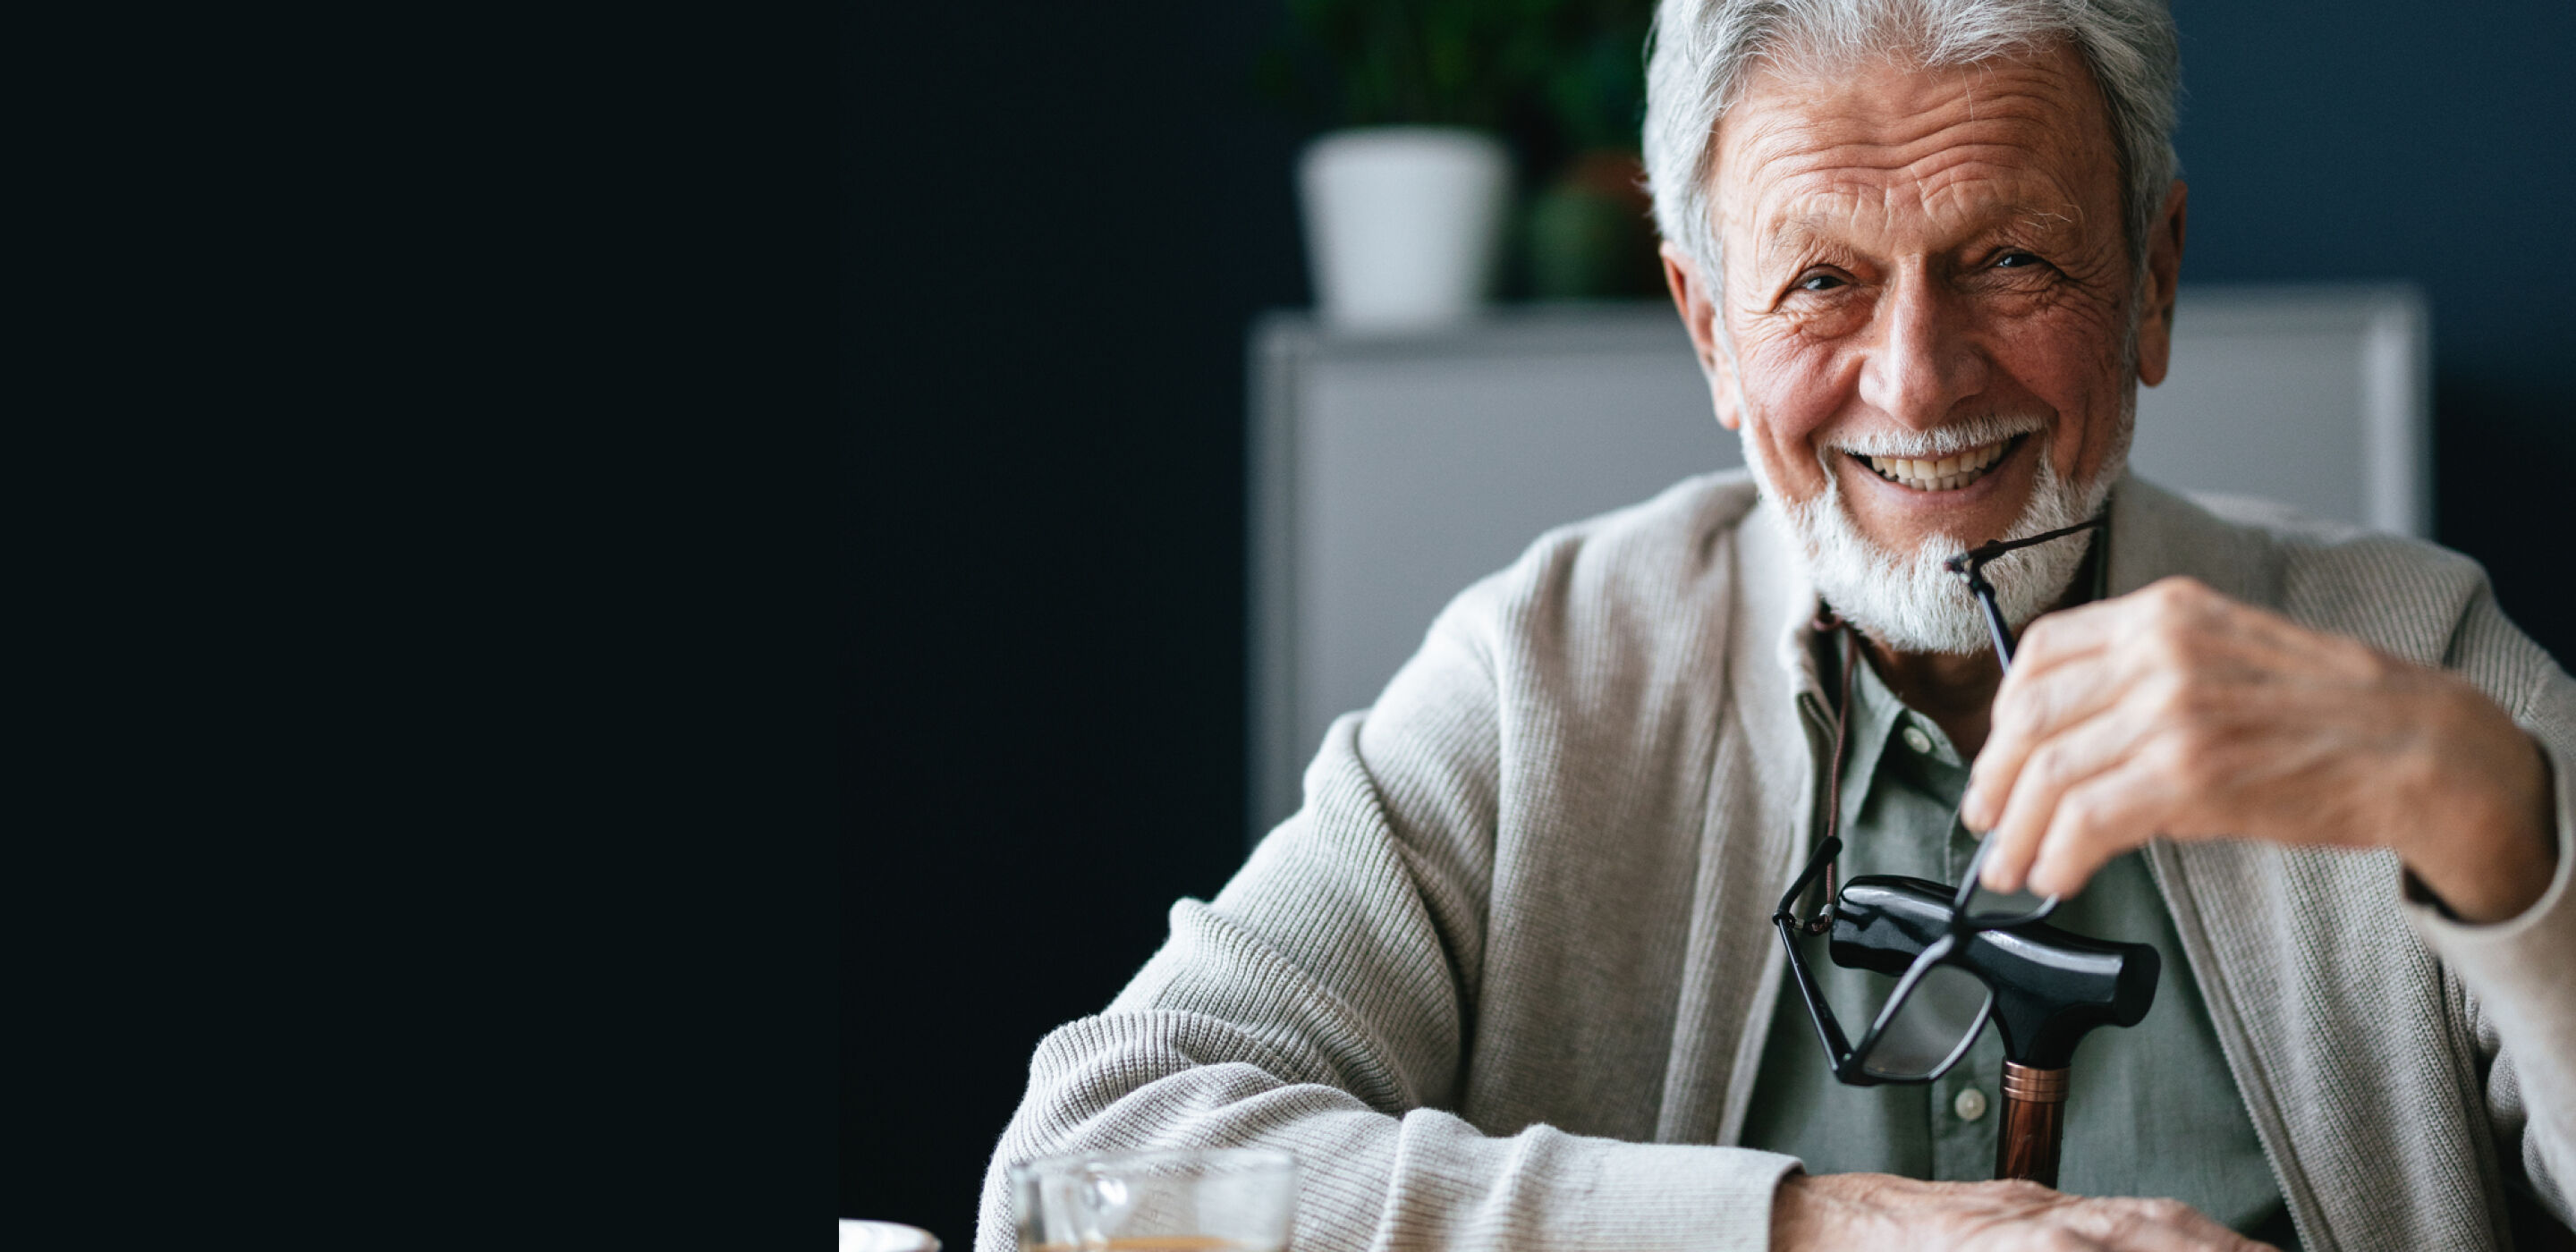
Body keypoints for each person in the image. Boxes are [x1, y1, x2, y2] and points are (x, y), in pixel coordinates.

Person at [978, 1, 2573, 1248]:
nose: (1916, 381)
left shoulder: (2413, 658)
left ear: (2150, 282)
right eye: (1823, 282)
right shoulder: (1543, 678)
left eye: (2010, 258)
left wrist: (2505, 841)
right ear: (1710, 330)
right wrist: (1817, 1228)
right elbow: (1092, 1162)